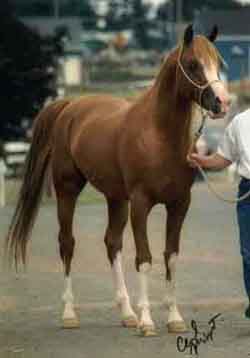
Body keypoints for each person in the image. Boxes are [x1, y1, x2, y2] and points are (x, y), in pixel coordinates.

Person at [188, 108, 250, 318]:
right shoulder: (240, 123)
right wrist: (201, 161)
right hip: (247, 194)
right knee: (248, 254)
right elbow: (223, 159)